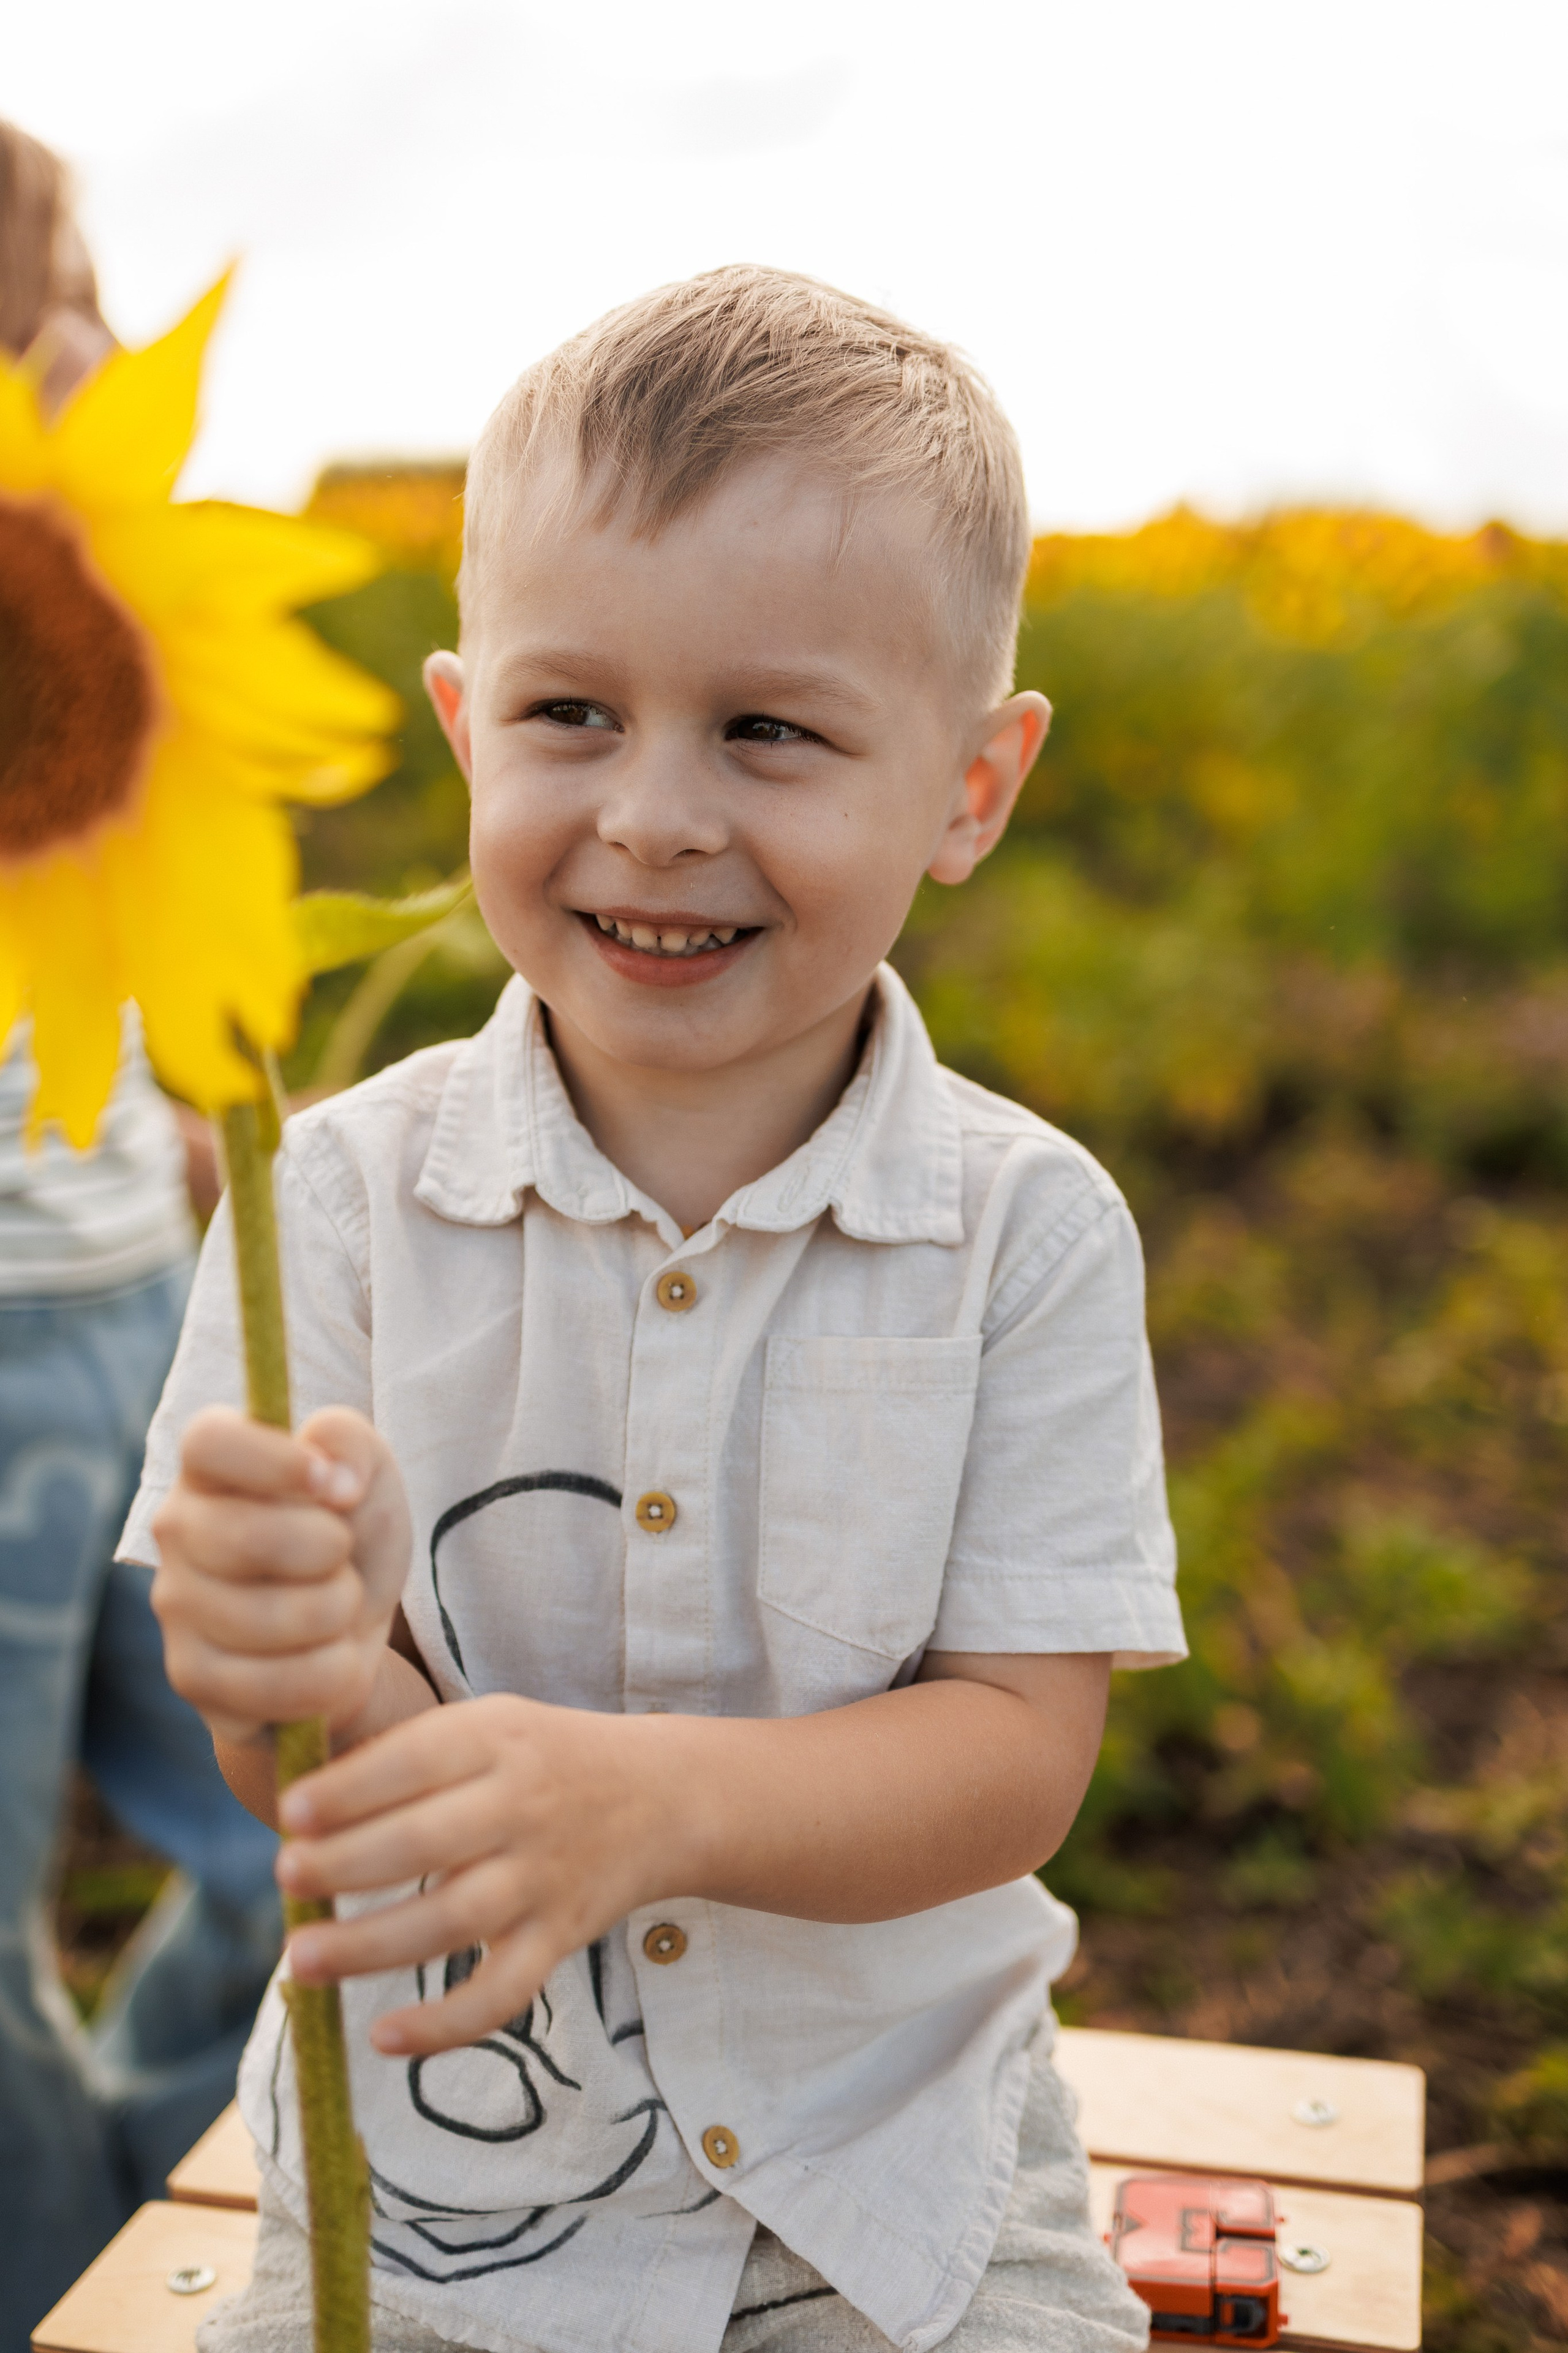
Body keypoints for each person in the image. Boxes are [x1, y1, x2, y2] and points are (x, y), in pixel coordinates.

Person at [130, 266, 1186, 2353]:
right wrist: (296, 1663)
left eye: (770, 729)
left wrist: (652, 1808)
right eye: (571, 713)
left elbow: (1016, 1755)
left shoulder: (1028, 1231)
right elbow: (317, 1767)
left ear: (973, 787)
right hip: (442, 2194)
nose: (656, 812)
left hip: (893, 2176)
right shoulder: (330, 1201)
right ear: (463, 725)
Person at [0, 121, 281, 2348]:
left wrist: (196, 1093)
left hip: (134, 1289)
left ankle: (145, 2174)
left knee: (299, 1826)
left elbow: (150, 842)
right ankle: (59, 2277)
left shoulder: (91, 514)